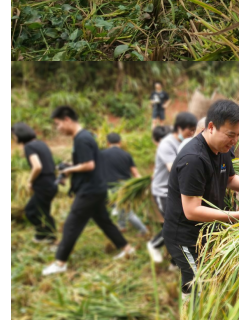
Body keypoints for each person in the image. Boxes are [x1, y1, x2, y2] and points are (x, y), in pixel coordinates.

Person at [163, 100, 239, 302]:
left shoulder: (223, 150)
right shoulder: (194, 159)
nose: (234, 141)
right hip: (186, 236)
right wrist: (236, 216)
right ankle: (191, 317)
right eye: (230, 135)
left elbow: (229, 179)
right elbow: (192, 211)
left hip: (208, 231)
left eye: (238, 135)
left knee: (210, 281)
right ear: (211, 127)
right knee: (197, 284)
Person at [42, 106, 134, 275]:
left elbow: (89, 165)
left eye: (58, 124)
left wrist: (69, 170)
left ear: (67, 119)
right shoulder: (85, 136)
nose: (58, 128)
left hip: (89, 190)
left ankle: (60, 263)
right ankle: (127, 248)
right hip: (96, 187)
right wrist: (71, 166)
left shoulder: (82, 139)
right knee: (104, 221)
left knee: (71, 225)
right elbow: (88, 162)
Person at [147, 112, 198, 264]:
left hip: (177, 191)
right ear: (179, 128)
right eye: (189, 130)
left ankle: (174, 263)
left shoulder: (187, 142)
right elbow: (174, 169)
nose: (191, 133)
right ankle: (154, 244)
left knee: (182, 225)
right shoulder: (167, 144)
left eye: (194, 130)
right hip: (163, 191)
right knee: (174, 225)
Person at [11, 122, 58, 243]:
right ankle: (48, 236)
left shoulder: (29, 147)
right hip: (52, 182)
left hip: (43, 184)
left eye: (14, 135)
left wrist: (30, 181)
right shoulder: (41, 143)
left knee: (31, 211)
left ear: (20, 134)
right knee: (43, 211)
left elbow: (37, 166)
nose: (14, 138)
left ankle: (46, 235)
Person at [100, 132, 148, 235]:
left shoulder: (102, 154)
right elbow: (135, 173)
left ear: (108, 143)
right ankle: (122, 226)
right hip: (125, 187)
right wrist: (143, 184)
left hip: (110, 187)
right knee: (122, 207)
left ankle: (143, 230)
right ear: (120, 142)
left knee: (127, 211)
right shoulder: (126, 155)